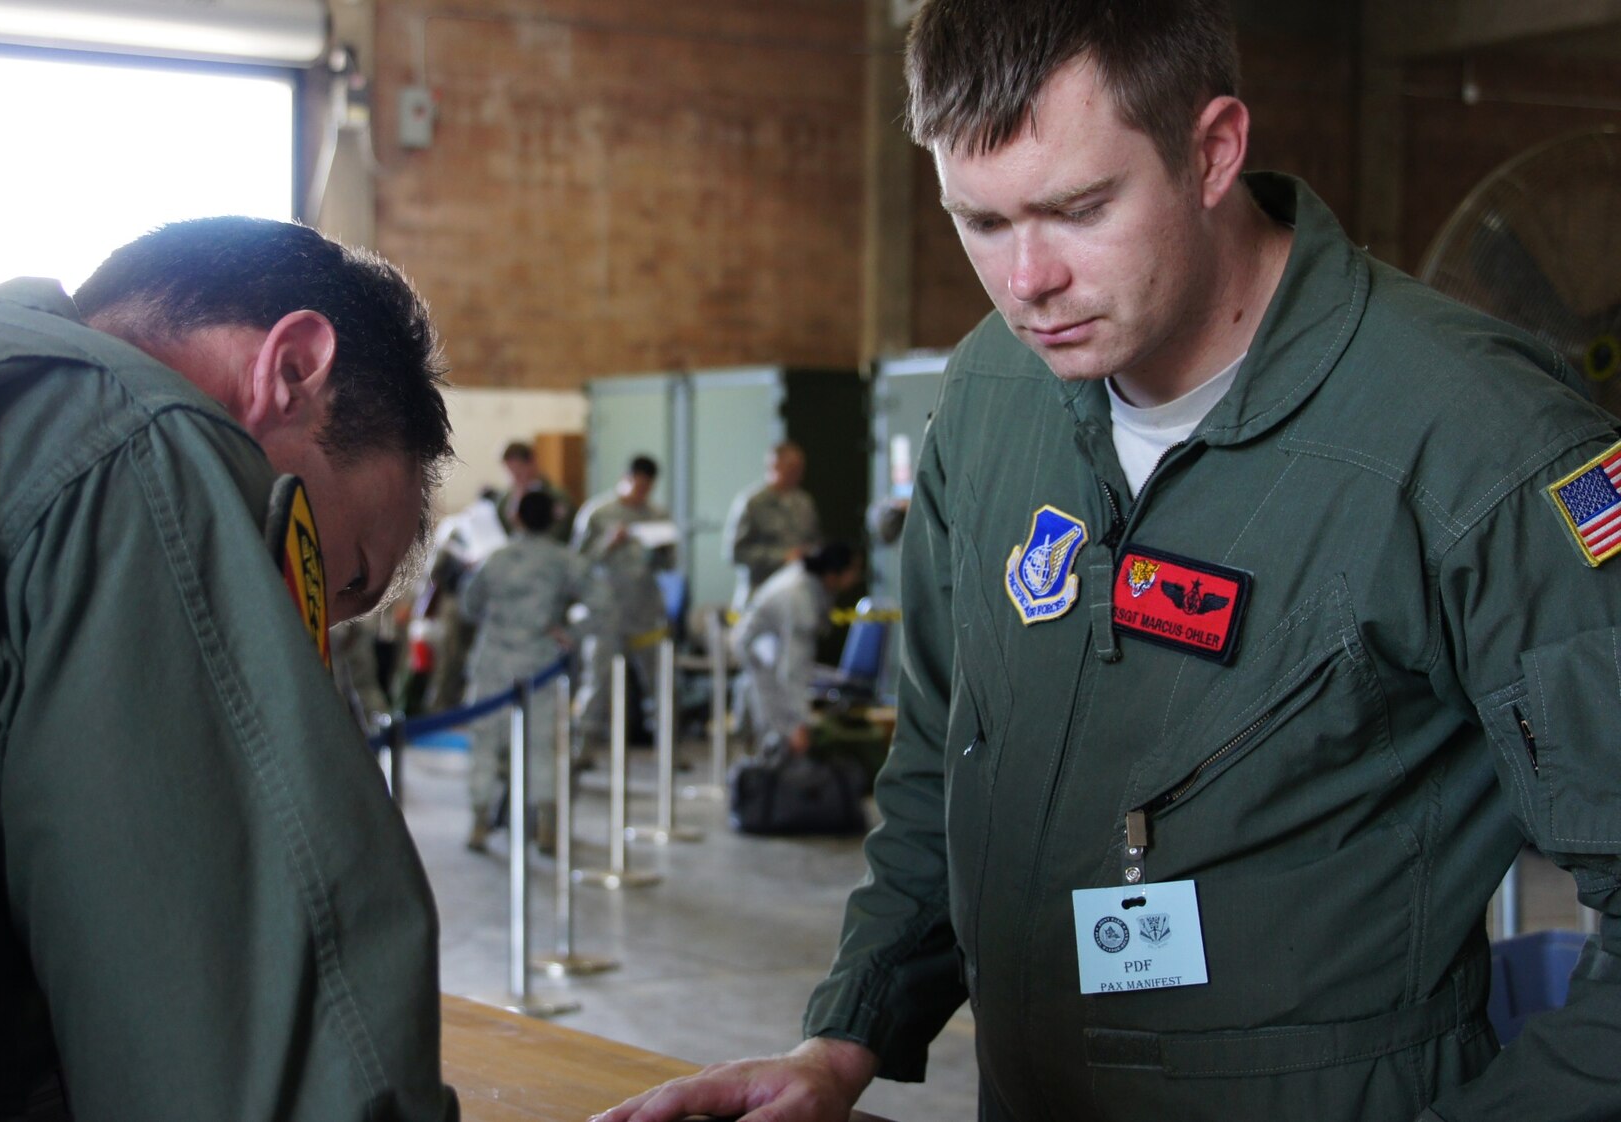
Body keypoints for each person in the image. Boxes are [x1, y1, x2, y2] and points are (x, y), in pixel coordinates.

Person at [600, 2, 1621, 1120]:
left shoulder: (1478, 441)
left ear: (1211, 150)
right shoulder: (992, 400)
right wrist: (841, 1039)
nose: (1026, 278)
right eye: (978, 221)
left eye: (1078, 209)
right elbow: (941, 762)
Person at [0, 218, 460, 1120]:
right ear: (293, 370)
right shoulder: (138, 447)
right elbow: (271, 1072)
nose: (311, 639)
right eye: (338, 578)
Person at [461, 490, 597, 854]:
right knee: (542, 744)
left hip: (493, 662)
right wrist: (571, 633)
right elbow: (603, 603)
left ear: (516, 519)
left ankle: (479, 821)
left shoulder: (496, 560)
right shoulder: (566, 560)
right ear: (553, 520)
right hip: (540, 661)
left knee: (485, 742)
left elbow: (470, 605)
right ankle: (547, 826)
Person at [570, 455, 675, 756]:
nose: (641, 494)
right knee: (597, 681)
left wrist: (662, 551)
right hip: (606, 612)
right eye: (637, 486)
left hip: (645, 611)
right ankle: (583, 749)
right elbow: (577, 564)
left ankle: (667, 750)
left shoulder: (657, 515)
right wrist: (607, 543)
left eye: (647, 488)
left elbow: (669, 564)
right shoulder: (598, 513)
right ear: (626, 479)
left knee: (659, 683)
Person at [730, 543, 861, 757]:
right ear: (832, 573)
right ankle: (770, 767)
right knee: (778, 725)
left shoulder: (810, 582)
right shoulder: (799, 597)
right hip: (760, 651)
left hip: (767, 648)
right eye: (852, 570)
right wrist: (800, 723)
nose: (856, 577)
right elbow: (794, 669)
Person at [724, 441, 821, 610]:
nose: (798, 474)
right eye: (792, 468)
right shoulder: (752, 503)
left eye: (800, 469)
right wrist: (782, 556)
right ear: (775, 465)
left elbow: (814, 541)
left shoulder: (804, 503)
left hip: (796, 594)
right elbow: (735, 553)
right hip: (760, 595)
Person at [497, 440, 575, 544]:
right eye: (510, 471)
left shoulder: (557, 496)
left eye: (519, 470)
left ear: (532, 462)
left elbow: (565, 531)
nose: (515, 477)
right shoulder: (505, 501)